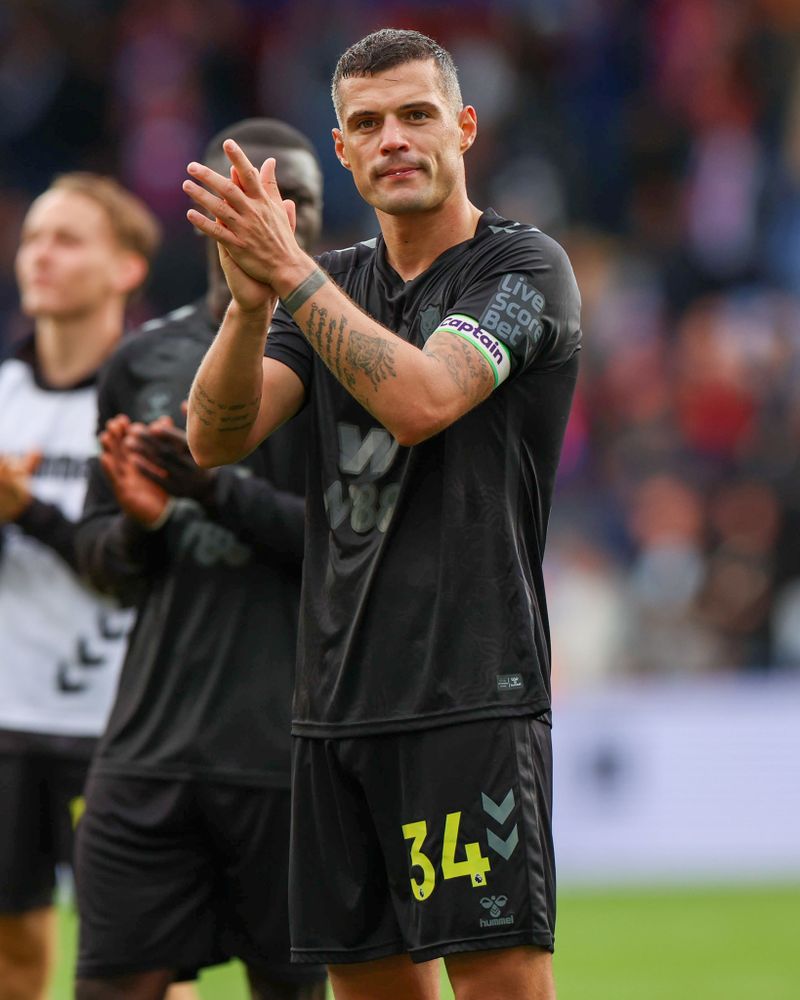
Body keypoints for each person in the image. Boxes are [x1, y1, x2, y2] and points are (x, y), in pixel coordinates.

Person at [185, 29, 582, 1000]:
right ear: (341, 148)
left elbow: (419, 400)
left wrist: (290, 275)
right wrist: (245, 309)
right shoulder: (322, 289)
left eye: (415, 115)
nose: (393, 138)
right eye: (367, 123)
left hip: (468, 693)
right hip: (332, 709)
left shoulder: (522, 270)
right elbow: (215, 437)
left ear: (464, 126)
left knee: (498, 985)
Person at [72, 119, 327, 1000]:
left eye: (299, 200)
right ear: (208, 217)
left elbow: (356, 551)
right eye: (254, 193)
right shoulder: (142, 364)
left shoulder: (356, 362)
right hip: (150, 750)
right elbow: (102, 565)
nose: (277, 213)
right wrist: (144, 522)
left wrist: (214, 489)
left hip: (292, 759)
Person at [0, 174, 160, 1000]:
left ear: (127, 267)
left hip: (123, 731)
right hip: (7, 724)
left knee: (143, 970)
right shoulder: (2, 397)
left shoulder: (151, 396)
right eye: (33, 238)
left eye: (67, 239)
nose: (41, 256)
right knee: (13, 957)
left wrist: (25, 508)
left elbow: (142, 569)